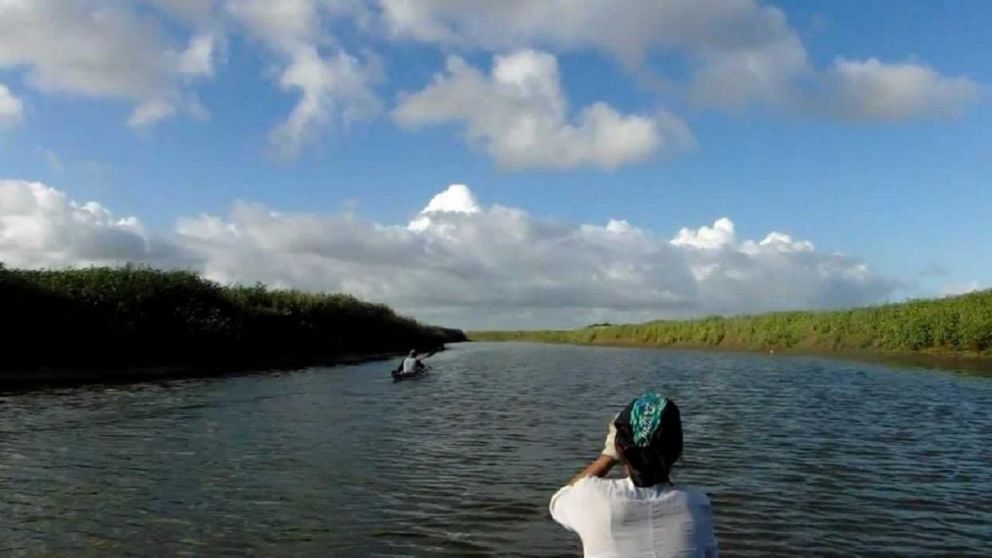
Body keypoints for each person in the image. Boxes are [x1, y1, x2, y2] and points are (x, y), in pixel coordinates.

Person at [549, 392, 718, 557]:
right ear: (677, 449)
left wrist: (607, 457)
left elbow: (558, 502)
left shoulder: (594, 497)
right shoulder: (697, 503)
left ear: (620, 448)